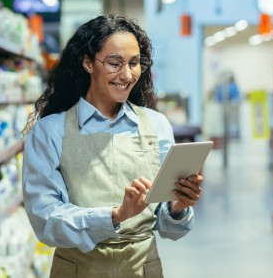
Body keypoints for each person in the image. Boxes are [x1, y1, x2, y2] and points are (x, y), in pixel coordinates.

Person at [22, 14, 203, 278]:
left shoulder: (156, 125)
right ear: (87, 63)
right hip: (78, 269)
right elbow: (45, 219)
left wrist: (178, 206)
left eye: (134, 63)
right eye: (114, 63)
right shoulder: (49, 131)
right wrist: (115, 216)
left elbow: (169, 228)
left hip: (142, 267)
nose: (127, 75)